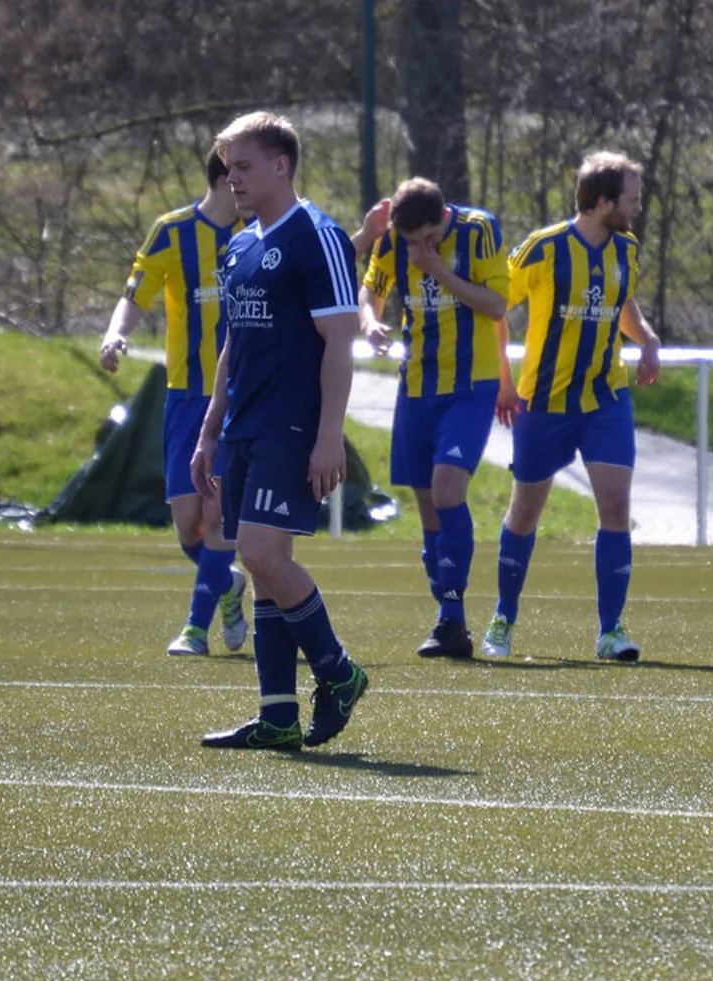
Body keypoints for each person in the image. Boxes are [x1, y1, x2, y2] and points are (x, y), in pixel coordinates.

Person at [193, 112, 369, 750]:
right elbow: (233, 344)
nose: (232, 180)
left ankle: (338, 671)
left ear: (281, 164)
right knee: (266, 564)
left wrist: (329, 435)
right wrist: (210, 428)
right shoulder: (241, 245)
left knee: (261, 555)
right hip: (244, 425)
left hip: (291, 425)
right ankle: (277, 715)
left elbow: (339, 342)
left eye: (243, 167)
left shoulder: (318, 236)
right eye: (227, 169)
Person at [480, 151, 661, 663]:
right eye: (632, 199)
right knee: (525, 512)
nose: (638, 207)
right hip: (544, 401)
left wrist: (647, 340)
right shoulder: (544, 248)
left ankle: (611, 630)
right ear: (603, 202)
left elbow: (620, 303)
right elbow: (495, 307)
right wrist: (504, 382)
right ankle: (503, 617)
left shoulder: (626, 248)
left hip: (606, 397)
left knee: (616, 506)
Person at [100, 148, 248, 658]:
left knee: (218, 512)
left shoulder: (258, 230)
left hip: (239, 397)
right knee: (189, 525)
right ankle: (227, 583)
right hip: (187, 395)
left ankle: (195, 630)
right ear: (225, 179)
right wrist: (116, 334)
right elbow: (135, 293)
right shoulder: (172, 231)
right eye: (241, 173)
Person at [358, 177, 516, 659]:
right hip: (417, 385)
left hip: (470, 386)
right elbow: (371, 291)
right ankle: (451, 617)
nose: (419, 248)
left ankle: (450, 614)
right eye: (411, 242)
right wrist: (370, 322)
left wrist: (438, 271)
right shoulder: (394, 239)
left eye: (428, 238)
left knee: (448, 491)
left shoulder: (478, 230)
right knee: (428, 506)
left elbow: (496, 305)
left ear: (442, 218)